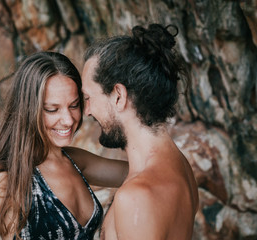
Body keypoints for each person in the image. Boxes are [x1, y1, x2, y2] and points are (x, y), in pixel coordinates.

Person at [0, 51, 128, 240]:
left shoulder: (77, 161)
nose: (68, 120)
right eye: (52, 109)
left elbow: (145, 172)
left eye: (74, 105)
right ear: (28, 110)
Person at [81, 23, 199, 239]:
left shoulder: (136, 197)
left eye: (88, 98)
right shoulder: (179, 165)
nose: (87, 111)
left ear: (118, 95)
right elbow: (81, 164)